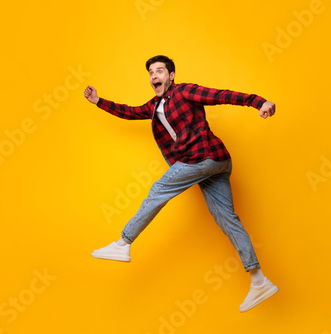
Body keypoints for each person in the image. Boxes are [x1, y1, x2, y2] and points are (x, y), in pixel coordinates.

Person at [84, 55, 278, 312]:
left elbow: (220, 95)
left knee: (159, 190)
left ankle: (123, 243)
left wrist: (258, 102)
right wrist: (99, 101)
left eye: (160, 71)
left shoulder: (184, 91)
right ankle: (259, 281)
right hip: (216, 163)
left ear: (171, 75)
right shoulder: (155, 105)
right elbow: (130, 112)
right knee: (226, 218)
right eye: (151, 72)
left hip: (202, 157)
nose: (154, 76)